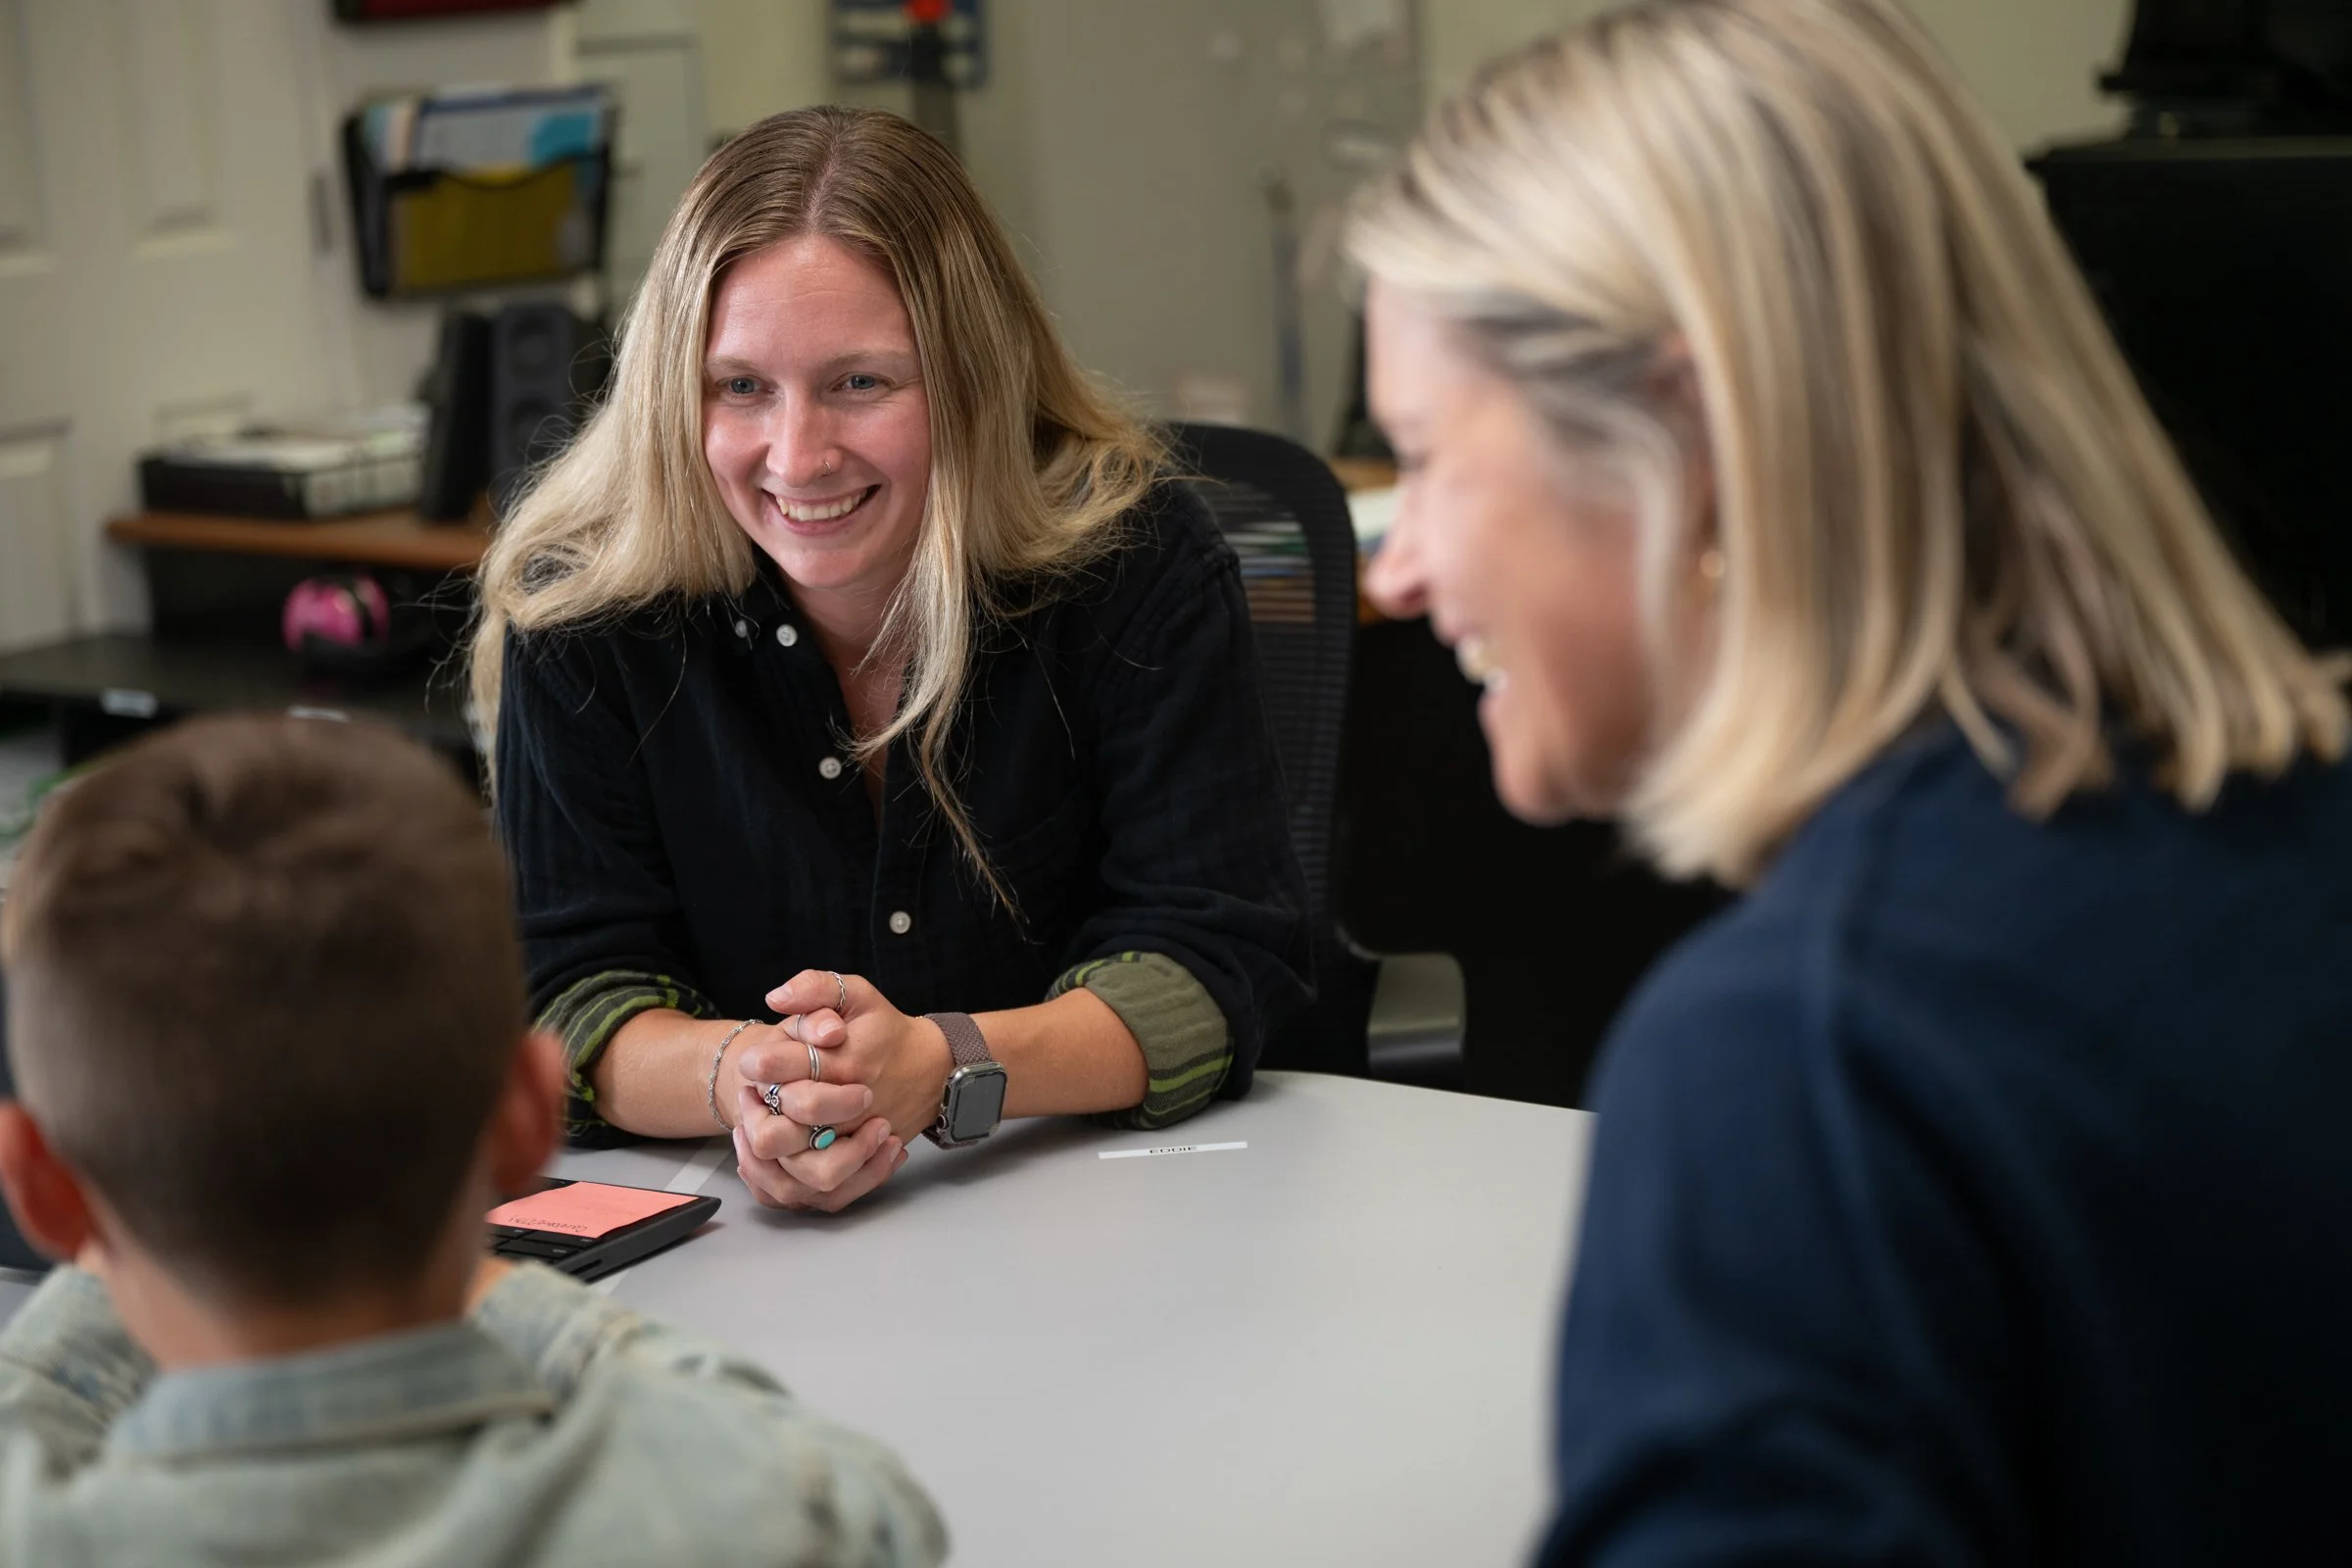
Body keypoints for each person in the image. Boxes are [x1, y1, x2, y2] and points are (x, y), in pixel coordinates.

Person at [1349, 0, 2352, 1561]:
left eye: (1424, 453)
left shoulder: (1799, 1063)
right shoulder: (2292, 838)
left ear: (1691, 432)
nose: (1398, 568)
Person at [472, 106, 1310, 1212]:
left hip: (1099, 1217)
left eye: (860, 383)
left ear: (971, 379)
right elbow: (566, 989)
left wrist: (946, 1062)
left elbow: (1217, 959)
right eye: (741, 387)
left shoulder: (1134, 563)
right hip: (736, 1247)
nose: (797, 454)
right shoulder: (585, 605)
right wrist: (752, 1082)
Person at [0, 714, 947, 1566]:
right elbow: (874, 1511)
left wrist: (100, 1207)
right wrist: (518, 1294)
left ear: (38, 1187)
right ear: (528, 1121)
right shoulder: (729, 1515)